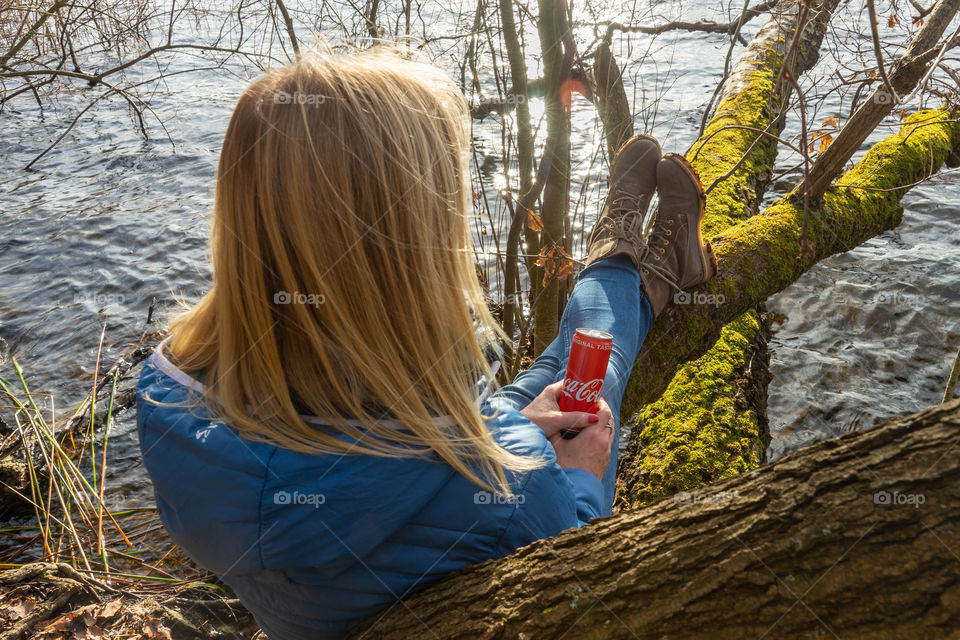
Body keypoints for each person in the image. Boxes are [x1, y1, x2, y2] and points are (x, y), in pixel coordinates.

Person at [136, 46, 716, 640]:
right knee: (593, 382)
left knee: (555, 372)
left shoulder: (166, 407)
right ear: (409, 249)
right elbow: (576, 571)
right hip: (459, 484)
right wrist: (583, 473)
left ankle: (633, 257)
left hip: (337, 564)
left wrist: (508, 427)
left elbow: (366, 464)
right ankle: (633, 269)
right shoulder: (515, 490)